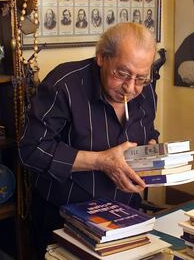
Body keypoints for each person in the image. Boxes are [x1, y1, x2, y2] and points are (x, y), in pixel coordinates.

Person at [19, 22, 158, 258]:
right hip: (64, 221)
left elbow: (148, 131)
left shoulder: (145, 91)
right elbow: (30, 150)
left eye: (140, 78)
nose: (130, 87)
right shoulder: (64, 84)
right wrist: (101, 161)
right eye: (122, 74)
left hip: (126, 218)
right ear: (102, 57)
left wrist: (152, 148)